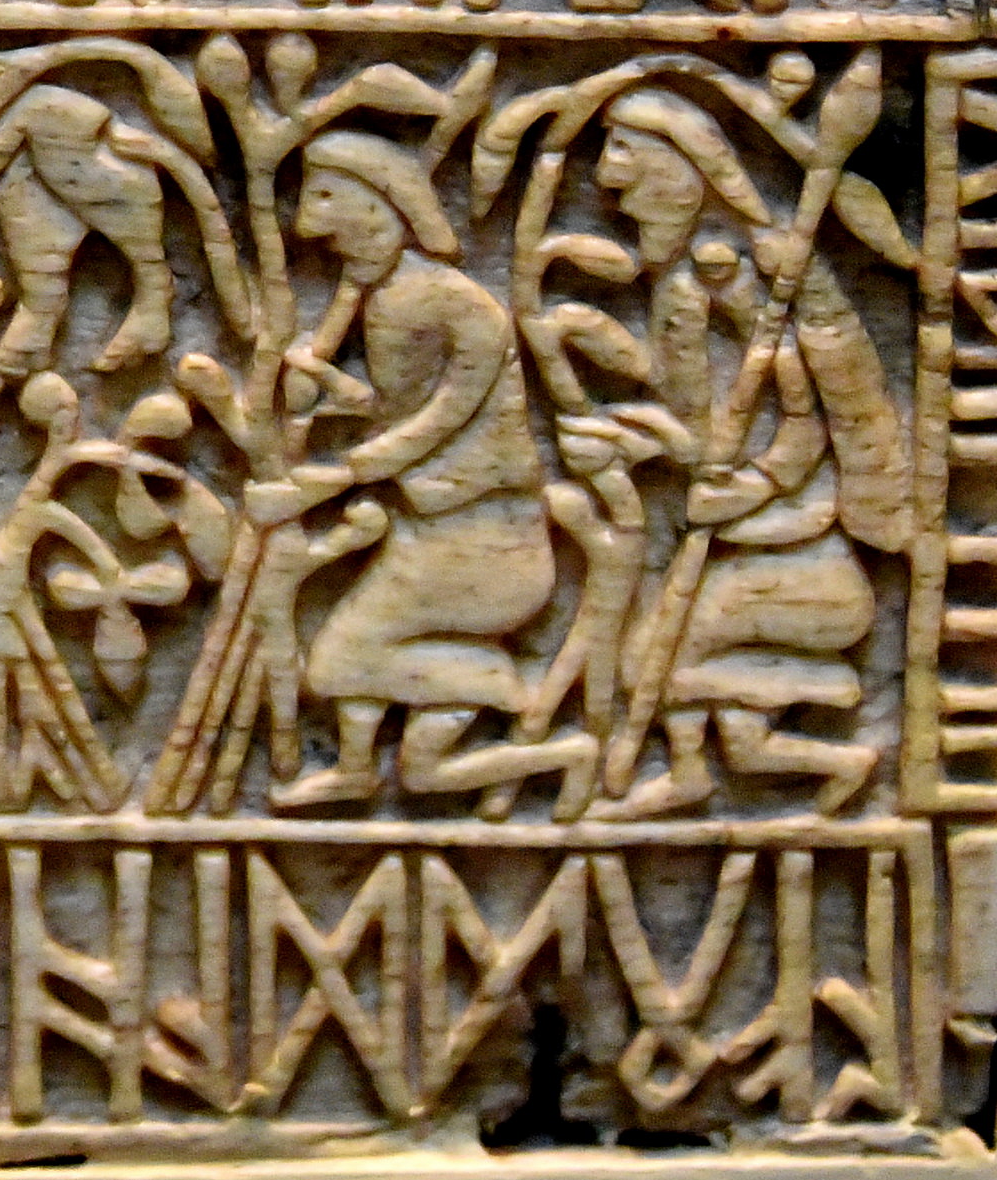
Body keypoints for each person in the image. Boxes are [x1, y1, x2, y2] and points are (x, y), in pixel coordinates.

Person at [560, 90, 909, 815]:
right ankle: (807, 766)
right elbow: (695, 419)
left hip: (795, 551)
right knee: (713, 713)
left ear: (681, 170)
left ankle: (725, 765)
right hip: (739, 541)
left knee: (654, 661)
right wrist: (633, 435)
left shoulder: (746, 281)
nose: (608, 185)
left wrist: (755, 485)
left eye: (625, 157)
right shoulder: (682, 284)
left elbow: (807, 413)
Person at [262, 131, 599, 812]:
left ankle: (511, 688)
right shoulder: (387, 297)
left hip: (487, 533)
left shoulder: (459, 301)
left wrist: (345, 473)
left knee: (341, 659)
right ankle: (372, 767)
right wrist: (334, 389)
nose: (311, 228)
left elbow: (448, 415)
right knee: (402, 746)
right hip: (429, 529)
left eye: (326, 199)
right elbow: (398, 406)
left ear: (384, 205)